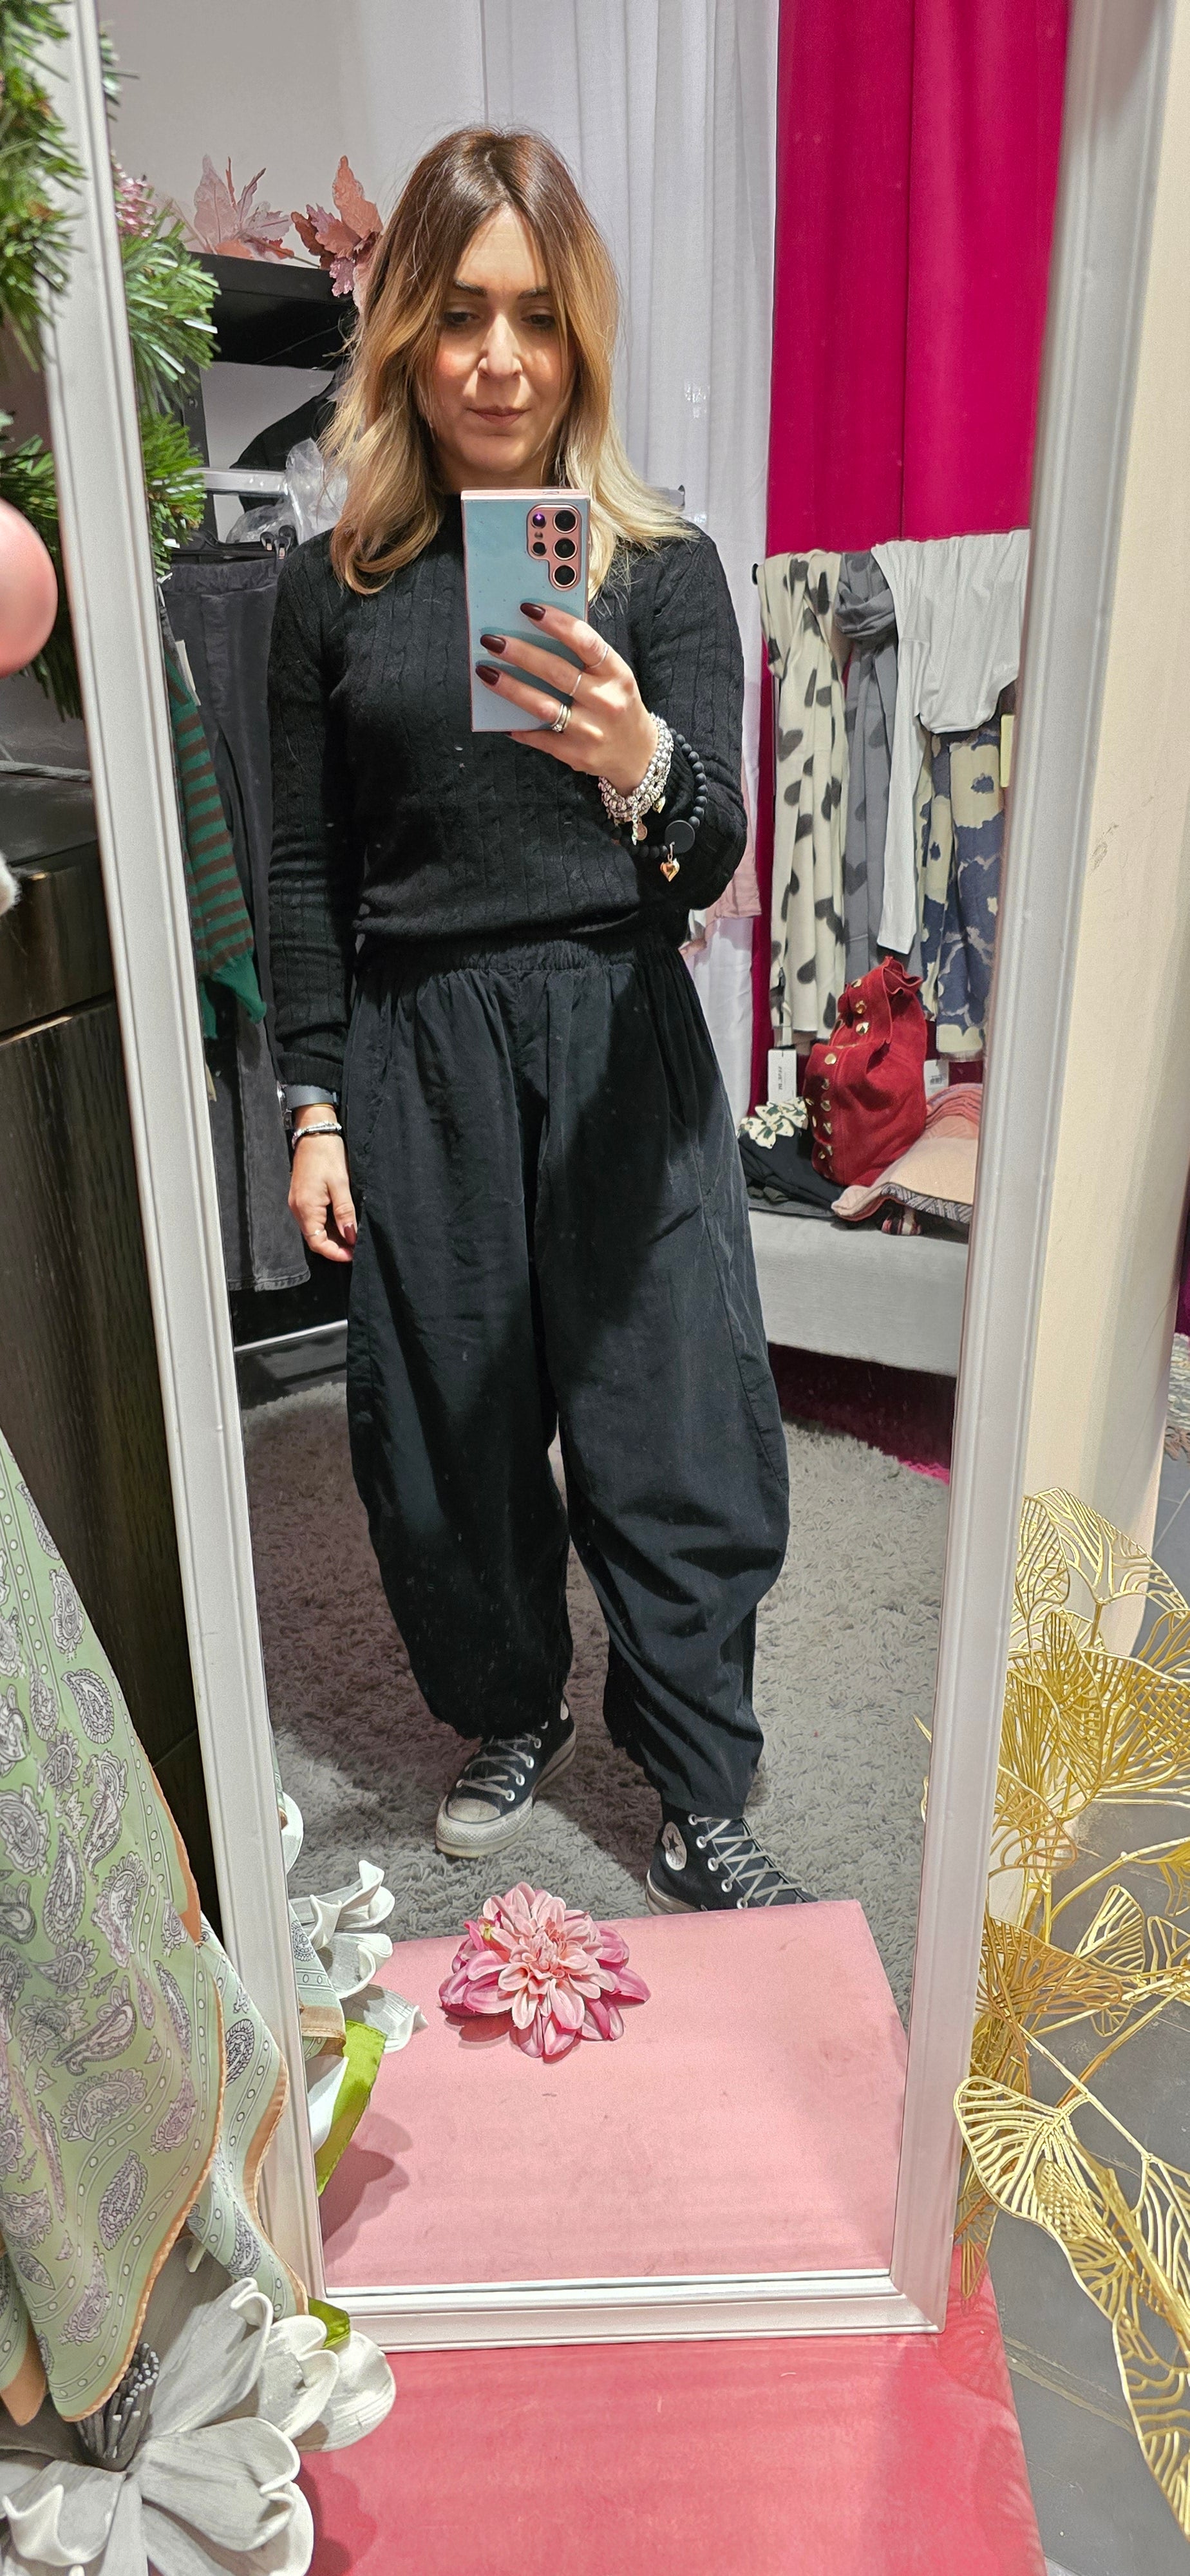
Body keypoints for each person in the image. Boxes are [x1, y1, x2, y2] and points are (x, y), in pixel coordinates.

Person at [268, 127, 808, 1913]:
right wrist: (315, 1107)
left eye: (537, 317)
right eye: (460, 314)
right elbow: (303, 871)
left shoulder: (657, 568)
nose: (500, 359)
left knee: (674, 1413)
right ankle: (513, 1707)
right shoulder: (328, 589)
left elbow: (710, 853)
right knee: (445, 1434)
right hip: (417, 1049)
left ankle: (698, 1779)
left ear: (580, 337)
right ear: (405, 335)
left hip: (614, 1029)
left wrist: (639, 756)